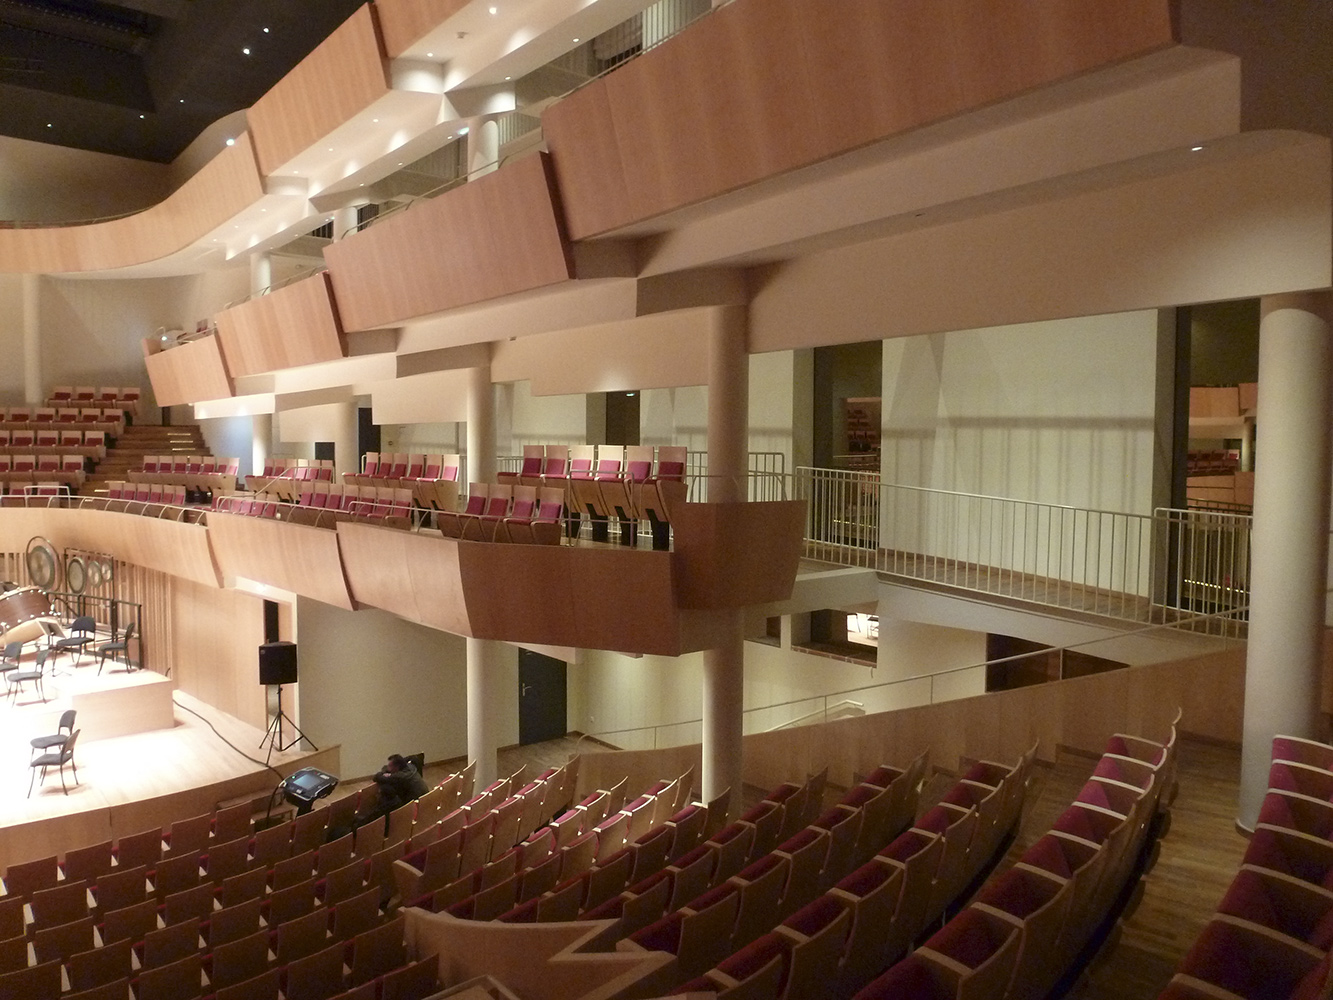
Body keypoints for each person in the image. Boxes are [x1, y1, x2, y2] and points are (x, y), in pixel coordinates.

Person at [327, 753, 429, 842]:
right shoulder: (411, 767)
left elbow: (377, 777)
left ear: (397, 768)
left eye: (390, 765)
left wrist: (386, 774)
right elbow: (392, 765)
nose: (387, 766)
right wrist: (388, 771)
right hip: (424, 796)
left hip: (416, 800)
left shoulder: (399, 777)